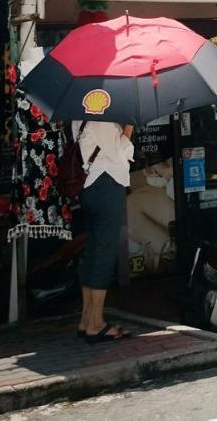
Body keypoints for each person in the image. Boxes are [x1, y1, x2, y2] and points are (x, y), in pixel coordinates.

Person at [73, 119, 134, 343]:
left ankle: (86, 319)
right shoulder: (101, 119)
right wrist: (129, 126)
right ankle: (96, 324)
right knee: (104, 253)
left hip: (91, 186)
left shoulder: (79, 117)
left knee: (92, 252)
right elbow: (121, 151)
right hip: (106, 185)